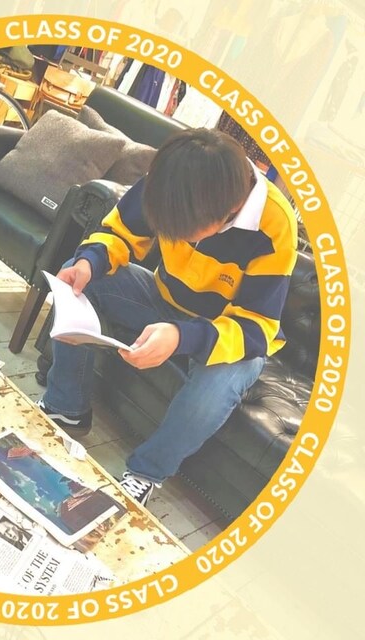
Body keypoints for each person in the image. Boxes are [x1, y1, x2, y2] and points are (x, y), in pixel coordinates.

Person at [38, 128, 297, 505]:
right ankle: (67, 408)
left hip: (229, 334)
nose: (177, 238)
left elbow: (256, 327)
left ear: (227, 213)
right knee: (78, 281)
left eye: (186, 231)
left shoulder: (275, 224)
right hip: (161, 298)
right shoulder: (170, 178)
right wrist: (89, 261)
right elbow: (119, 233)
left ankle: (146, 472)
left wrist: (182, 336)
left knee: (219, 384)